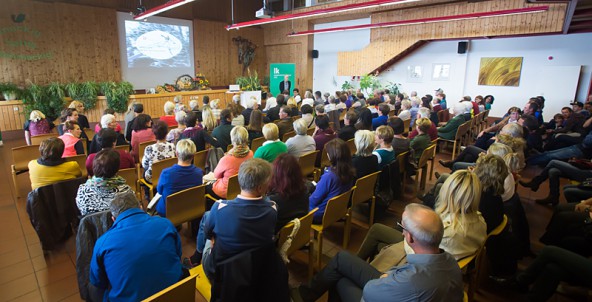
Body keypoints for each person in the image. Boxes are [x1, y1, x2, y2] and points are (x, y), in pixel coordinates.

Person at [298, 203, 463, 302]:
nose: (401, 233)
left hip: (385, 290)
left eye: (402, 228)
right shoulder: (449, 262)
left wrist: (387, 277)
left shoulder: (412, 281)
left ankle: (304, 295)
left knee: (340, 280)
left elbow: (370, 291)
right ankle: (304, 294)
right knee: (342, 259)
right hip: (397, 286)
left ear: (410, 237)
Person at [90, 191, 183, 301]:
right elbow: (178, 254)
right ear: (140, 207)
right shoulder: (165, 224)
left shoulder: (103, 243)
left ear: (113, 219)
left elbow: (98, 282)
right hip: (176, 294)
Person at [197, 158, 277, 280]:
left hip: (218, 271)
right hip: (254, 268)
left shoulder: (219, 206)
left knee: (208, 221)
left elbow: (208, 234)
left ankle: (197, 256)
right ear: (260, 188)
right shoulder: (272, 209)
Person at [309, 139, 355, 224]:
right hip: (338, 209)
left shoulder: (329, 177)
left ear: (333, 156)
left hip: (320, 214)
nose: (327, 154)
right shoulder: (350, 170)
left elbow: (314, 200)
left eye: (328, 153)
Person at [76, 149, 133, 216]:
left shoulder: (82, 191)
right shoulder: (127, 192)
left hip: (92, 226)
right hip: (120, 225)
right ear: (117, 169)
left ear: (94, 167)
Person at [155, 139, 204, 217]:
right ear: (193, 155)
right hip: (189, 207)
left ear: (176, 154)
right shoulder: (199, 173)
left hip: (168, 211)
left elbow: (159, 191)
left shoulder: (166, 173)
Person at [207, 126, 253, 201]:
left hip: (225, 192)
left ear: (232, 139)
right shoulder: (250, 153)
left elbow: (216, 175)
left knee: (206, 188)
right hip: (244, 188)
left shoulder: (226, 159)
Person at [267, 153, 309, 232]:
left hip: (280, 240)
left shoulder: (272, 201)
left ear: (276, 173)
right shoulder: (305, 190)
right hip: (299, 233)